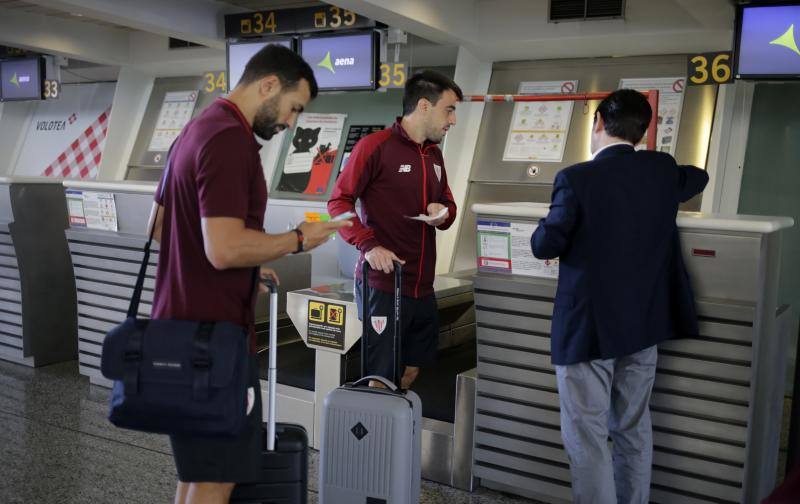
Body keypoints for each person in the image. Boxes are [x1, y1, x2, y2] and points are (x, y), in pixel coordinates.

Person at [147, 45, 351, 504]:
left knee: (197, 474)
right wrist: (297, 238)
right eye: (294, 108)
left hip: (176, 331)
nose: (291, 123)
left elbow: (160, 227)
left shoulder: (195, 130)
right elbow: (223, 247)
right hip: (213, 342)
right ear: (268, 85)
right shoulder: (230, 140)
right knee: (218, 478)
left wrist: (245, 266)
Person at [530, 89, 709, 504]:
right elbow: (697, 176)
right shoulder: (662, 170)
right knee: (632, 428)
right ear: (644, 132)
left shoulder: (575, 178)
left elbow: (544, 245)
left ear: (597, 124)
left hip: (587, 331)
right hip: (643, 325)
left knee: (587, 436)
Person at [327, 70, 462, 389]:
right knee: (381, 377)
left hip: (422, 286)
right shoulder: (375, 147)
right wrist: (368, 246)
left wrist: (442, 213)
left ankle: (394, 434)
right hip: (384, 286)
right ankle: (373, 437)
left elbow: (449, 204)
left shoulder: (435, 154)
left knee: (411, 371)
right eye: (450, 109)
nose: (453, 120)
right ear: (425, 106)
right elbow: (338, 203)